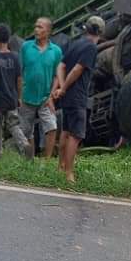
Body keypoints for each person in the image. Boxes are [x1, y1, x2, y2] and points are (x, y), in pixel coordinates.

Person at [52, 15, 105, 183]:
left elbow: (61, 65)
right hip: (77, 96)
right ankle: (69, 174)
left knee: (66, 131)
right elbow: (77, 70)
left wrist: (61, 87)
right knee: (76, 135)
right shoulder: (91, 48)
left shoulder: (75, 43)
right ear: (101, 32)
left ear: (86, 28)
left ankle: (60, 167)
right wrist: (65, 87)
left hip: (68, 96)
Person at [19, 17, 63, 158]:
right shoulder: (26, 47)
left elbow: (57, 75)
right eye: (36, 26)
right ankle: (29, 160)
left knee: (52, 127)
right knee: (26, 131)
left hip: (45, 98)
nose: (36, 30)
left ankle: (47, 160)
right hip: (26, 97)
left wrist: (51, 95)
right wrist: (19, 95)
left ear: (48, 31)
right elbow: (19, 72)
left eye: (40, 27)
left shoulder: (56, 51)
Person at [0, 24, 32, 158]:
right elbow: (19, 80)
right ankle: (24, 144)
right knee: (14, 124)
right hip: (12, 98)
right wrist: (19, 97)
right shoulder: (15, 57)